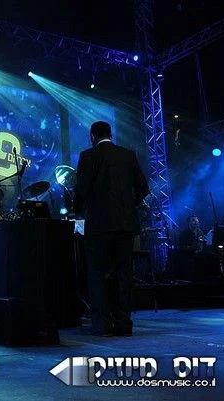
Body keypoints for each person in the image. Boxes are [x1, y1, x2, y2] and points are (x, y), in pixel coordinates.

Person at [74, 121, 149, 336]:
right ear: (110, 134)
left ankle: (102, 324)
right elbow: (143, 187)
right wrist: (129, 205)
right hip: (125, 225)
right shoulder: (128, 155)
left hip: (99, 225)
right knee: (124, 274)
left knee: (97, 274)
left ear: (92, 136)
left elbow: (82, 189)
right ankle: (124, 324)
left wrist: (77, 211)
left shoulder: (88, 156)